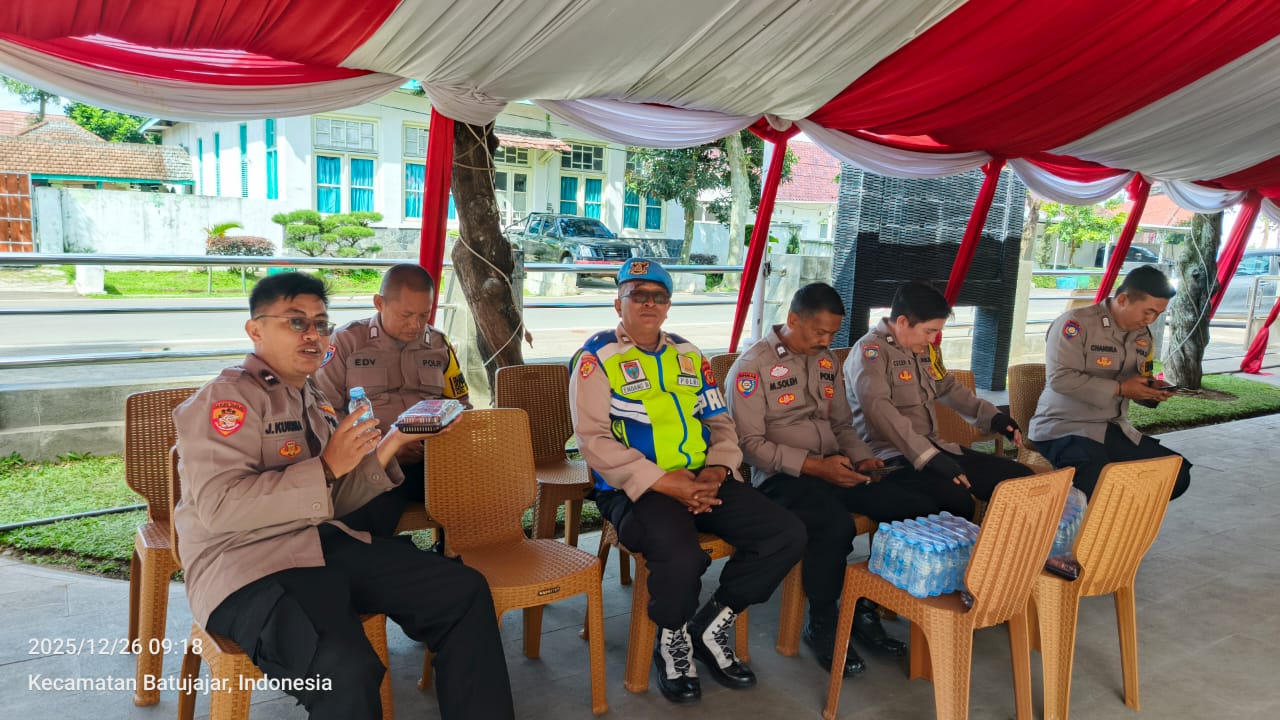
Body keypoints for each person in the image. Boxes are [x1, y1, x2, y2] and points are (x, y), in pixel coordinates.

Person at [173, 272, 513, 720]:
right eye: (296, 323)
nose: (313, 334)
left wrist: (390, 441)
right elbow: (219, 508)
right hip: (245, 567)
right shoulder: (226, 402)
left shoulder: (311, 397)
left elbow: (332, 499)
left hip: (321, 544)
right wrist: (328, 466)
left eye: (320, 322)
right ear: (255, 330)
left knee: (463, 590)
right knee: (344, 671)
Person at [570, 258, 805, 705]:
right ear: (617, 302)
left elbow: (720, 421)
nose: (649, 304)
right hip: (634, 488)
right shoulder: (596, 357)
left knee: (785, 533)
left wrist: (717, 470)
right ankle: (672, 637)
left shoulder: (690, 355)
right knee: (680, 555)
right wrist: (664, 482)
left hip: (704, 476)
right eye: (638, 294)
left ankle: (714, 621)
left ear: (669, 305)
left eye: (658, 296)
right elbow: (593, 439)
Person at [728, 283, 922, 678]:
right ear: (793, 320)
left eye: (833, 334)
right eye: (819, 332)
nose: (827, 341)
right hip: (781, 477)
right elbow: (749, 446)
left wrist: (864, 460)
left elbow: (842, 425)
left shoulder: (828, 360)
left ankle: (867, 607)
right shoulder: (752, 367)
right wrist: (815, 467)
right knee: (833, 525)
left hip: (836, 465)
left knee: (902, 506)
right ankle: (823, 622)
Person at [845, 281, 1032, 520]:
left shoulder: (925, 351)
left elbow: (947, 387)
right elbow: (880, 411)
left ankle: (1004, 553)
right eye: (929, 331)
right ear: (902, 322)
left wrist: (992, 416)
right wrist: (928, 457)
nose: (933, 339)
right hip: (892, 457)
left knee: (1019, 479)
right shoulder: (870, 352)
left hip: (936, 449)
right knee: (955, 501)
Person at [313, 263, 471, 533]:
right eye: (406, 315)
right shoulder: (348, 342)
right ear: (379, 303)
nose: (416, 325)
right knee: (365, 519)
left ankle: (456, 561)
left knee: (479, 497)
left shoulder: (438, 345)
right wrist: (386, 444)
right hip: (371, 463)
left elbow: (461, 405)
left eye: (424, 314)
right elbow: (324, 414)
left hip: (432, 460)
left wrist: (435, 438)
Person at [1029, 265, 1192, 499]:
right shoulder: (1076, 324)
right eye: (1148, 311)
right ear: (1124, 299)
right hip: (1064, 427)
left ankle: (1116, 521)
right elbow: (1061, 379)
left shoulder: (1142, 337)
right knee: (1096, 481)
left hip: (1112, 428)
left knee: (1175, 475)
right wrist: (1121, 388)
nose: (1151, 319)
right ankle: (1088, 527)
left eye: (1158, 314)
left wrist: (1152, 390)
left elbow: (1137, 382)